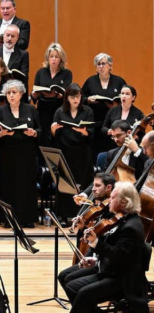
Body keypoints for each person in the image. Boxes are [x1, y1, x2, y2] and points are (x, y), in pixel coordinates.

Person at [40, 182, 154, 313]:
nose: (109, 200)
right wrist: (95, 259)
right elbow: (114, 252)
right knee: (70, 283)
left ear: (124, 202)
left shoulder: (132, 227)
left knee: (83, 293)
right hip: (110, 270)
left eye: (113, 197)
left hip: (123, 280)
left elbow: (117, 255)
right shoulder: (121, 219)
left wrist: (95, 243)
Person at [0, 80, 41, 227]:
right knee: (8, 185)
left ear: (21, 94)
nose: (11, 95)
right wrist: (1, 134)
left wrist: (34, 133)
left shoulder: (31, 109)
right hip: (7, 153)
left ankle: (27, 219)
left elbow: (40, 130)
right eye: (8, 93)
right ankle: (8, 219)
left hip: (27, 153)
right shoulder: (1, 111)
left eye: (14, 92)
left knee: (26, 185)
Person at [52, 84, 96, 222]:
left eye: (78, 96)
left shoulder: (87, 110)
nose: (76, 99)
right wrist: (53, 129)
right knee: (65, 184)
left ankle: (82, 216)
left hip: (82, 153)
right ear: (67, 98)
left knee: (82, 183)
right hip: (65, 152)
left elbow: (92, 133)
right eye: (73, 97)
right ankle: (64, 215)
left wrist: (84, 132)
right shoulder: (60, 111)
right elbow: (54, 136)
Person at [83, 53, 130, 159]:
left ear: (110, 65)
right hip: (95, 120)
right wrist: (88, 99)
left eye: (103, 63)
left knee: (112, 150)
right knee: (96, 149)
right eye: (98, 64)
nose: (101, 66)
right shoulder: (90, 81)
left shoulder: (119, 81)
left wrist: (117, 104)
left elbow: (126, 97)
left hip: (113, 121)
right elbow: (81, 97)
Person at [32, 43, 73, 147]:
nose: (54, 59)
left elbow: (66, 93)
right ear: (47, 58)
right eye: (51, 56)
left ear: (61, 59)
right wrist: (34, 94)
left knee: (56, 137)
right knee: (43, 137)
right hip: (43, 109)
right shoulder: (41, 72)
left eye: (56, 57)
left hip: (58, 109)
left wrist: (59, 95)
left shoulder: (67, 73)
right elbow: (34, 94)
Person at [101, 84, 143, 149]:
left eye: (127, 94)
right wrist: (110, 131)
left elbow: (142, 133)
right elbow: (103, 128)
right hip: (113, 146)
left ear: (133, 97)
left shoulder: (138, 113)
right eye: (122, 93)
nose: (124, 96)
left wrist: (136, 136)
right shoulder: (113, 110)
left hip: (129, 147)